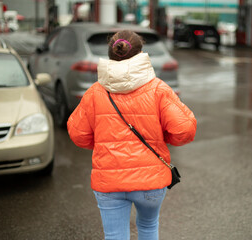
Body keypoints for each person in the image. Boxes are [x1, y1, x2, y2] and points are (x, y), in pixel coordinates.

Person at [67, 30, 197, 240]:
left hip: (109, 180)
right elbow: (185, 129)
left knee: (114, 236)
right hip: (151, 180)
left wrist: (103, 142)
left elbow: (77, 134)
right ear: (140, 54)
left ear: (111, 55)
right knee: (148, 226)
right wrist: (163, 136)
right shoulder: (158, 89)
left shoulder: (94, 92)